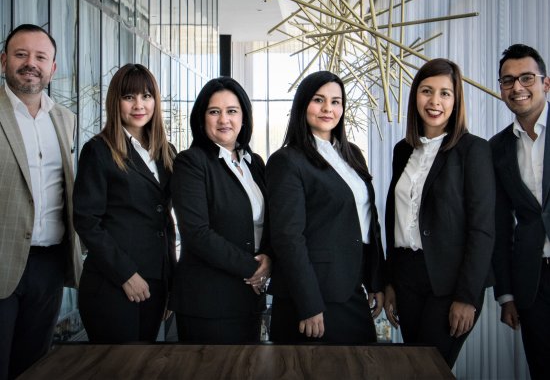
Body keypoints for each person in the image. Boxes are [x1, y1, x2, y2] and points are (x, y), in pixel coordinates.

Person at [383, 58, 495, 367]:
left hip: (450, 284)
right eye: (426, 91)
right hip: (407, 277)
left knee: (430, 369)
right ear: (415, 96)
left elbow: (482, 229)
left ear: (456, 100)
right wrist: (391, 280)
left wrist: (467, 296)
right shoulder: (402, 150)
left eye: (445, 93)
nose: (434, 101)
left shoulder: (474, 150)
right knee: (411, 367)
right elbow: (396, 218)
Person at [266, 70, 385, 344]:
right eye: (318, 100)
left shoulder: (352, 154)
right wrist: (309, 303)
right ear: (303, 104)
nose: (328, 109)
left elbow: (368, 222)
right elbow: (288, 237)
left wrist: (375, 280)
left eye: (335, 101)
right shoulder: (287, 160)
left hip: (352, 286)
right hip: (313, 294)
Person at [0, 24, 82, 380]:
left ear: (53, 68)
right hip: (2, 261)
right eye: (21, 55)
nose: (30, 63)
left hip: (49, 265)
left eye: (40, 57)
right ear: (3, 61)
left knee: (34, 365)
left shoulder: (65, 119)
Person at [73, 63, 176, 342]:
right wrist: (125, 274)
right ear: (115, 102)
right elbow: (87, 221)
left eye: (146, 96)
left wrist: (171, 284)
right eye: (129, 97)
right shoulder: (99, 150)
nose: (138, 105)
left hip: (156, 283)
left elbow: (165, 222)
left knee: (143, 367)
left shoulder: (166, 153)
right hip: (114, 283)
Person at [169, 76, 271, 343]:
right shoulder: (191, 162)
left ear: (244, 117)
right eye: (214, 112)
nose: (224, 119)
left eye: (232, 111)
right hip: (208, 302)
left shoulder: (254, 163)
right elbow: (197, 233)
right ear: (202, 118)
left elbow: (270, 223)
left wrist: (269, 259)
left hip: (250, 298)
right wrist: (253, 268)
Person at [491, 44, 550, 380]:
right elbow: (500, 226)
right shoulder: (495, 149)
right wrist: (506, 294)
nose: (517, 87)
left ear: (546, 83)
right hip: (533, 285)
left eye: (527, 78)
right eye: (508, 81)